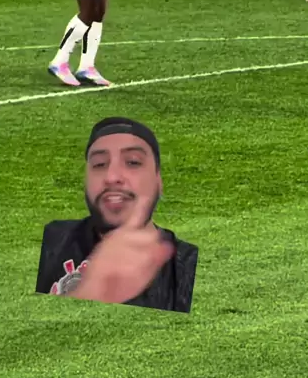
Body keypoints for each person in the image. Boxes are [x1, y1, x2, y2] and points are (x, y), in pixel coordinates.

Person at [35, 117, 198, 312]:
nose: (112, 177)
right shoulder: (49, 242)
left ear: (158, 180)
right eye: (99, 164)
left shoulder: (187, 267)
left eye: (133, 162)